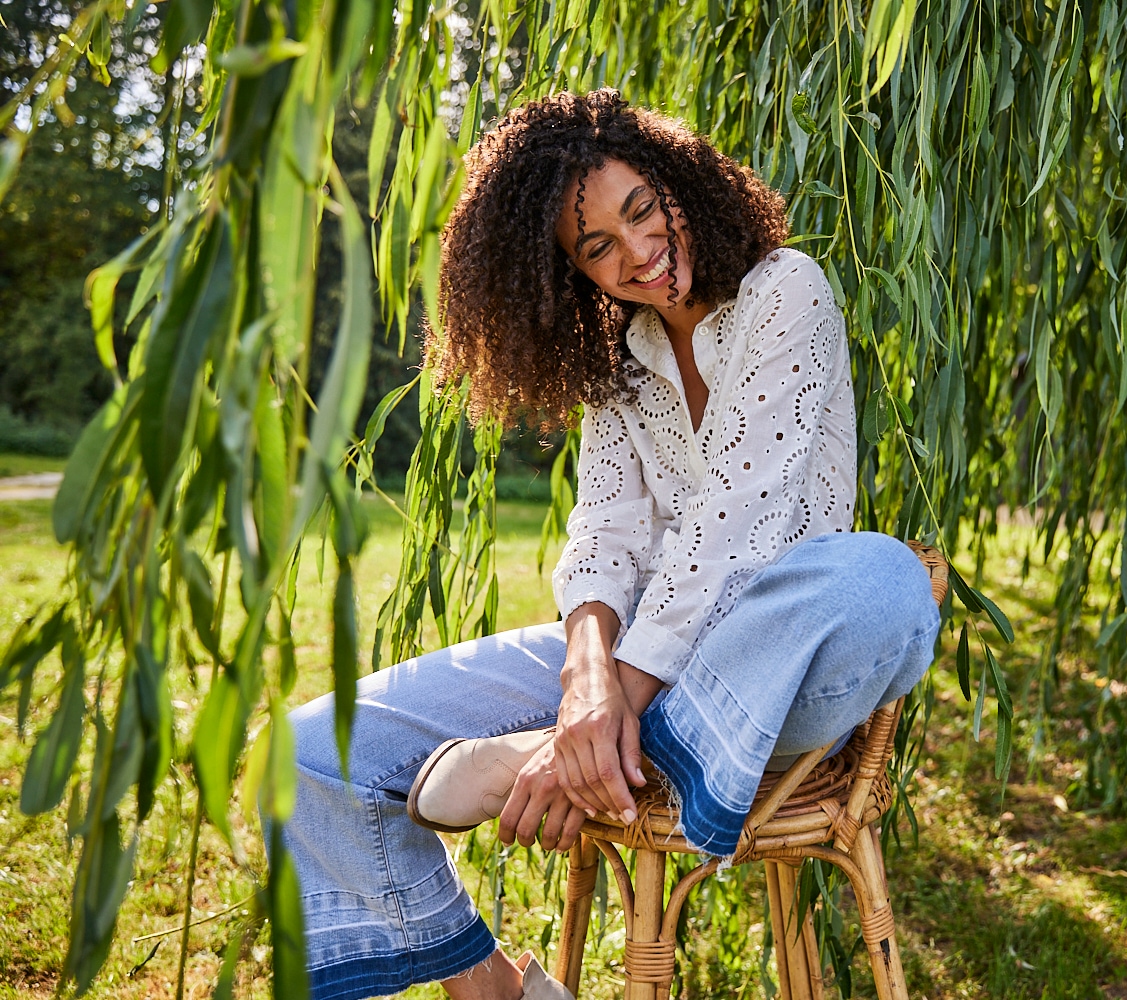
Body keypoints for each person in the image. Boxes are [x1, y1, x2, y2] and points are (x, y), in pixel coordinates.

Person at [283, 89, 940, 1000]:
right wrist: (587, 684)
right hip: (640, 666)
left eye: (642, 210)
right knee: (314, 750)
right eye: (597, 247)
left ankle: (543, 764)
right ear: (569, 270)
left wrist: (572, 740)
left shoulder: (786, 289)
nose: (637, 252)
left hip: (771, 671)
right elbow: (604, 537)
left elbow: (737, 534)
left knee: (882, 582)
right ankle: (496, 993)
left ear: (678, 182)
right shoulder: (620, 356)